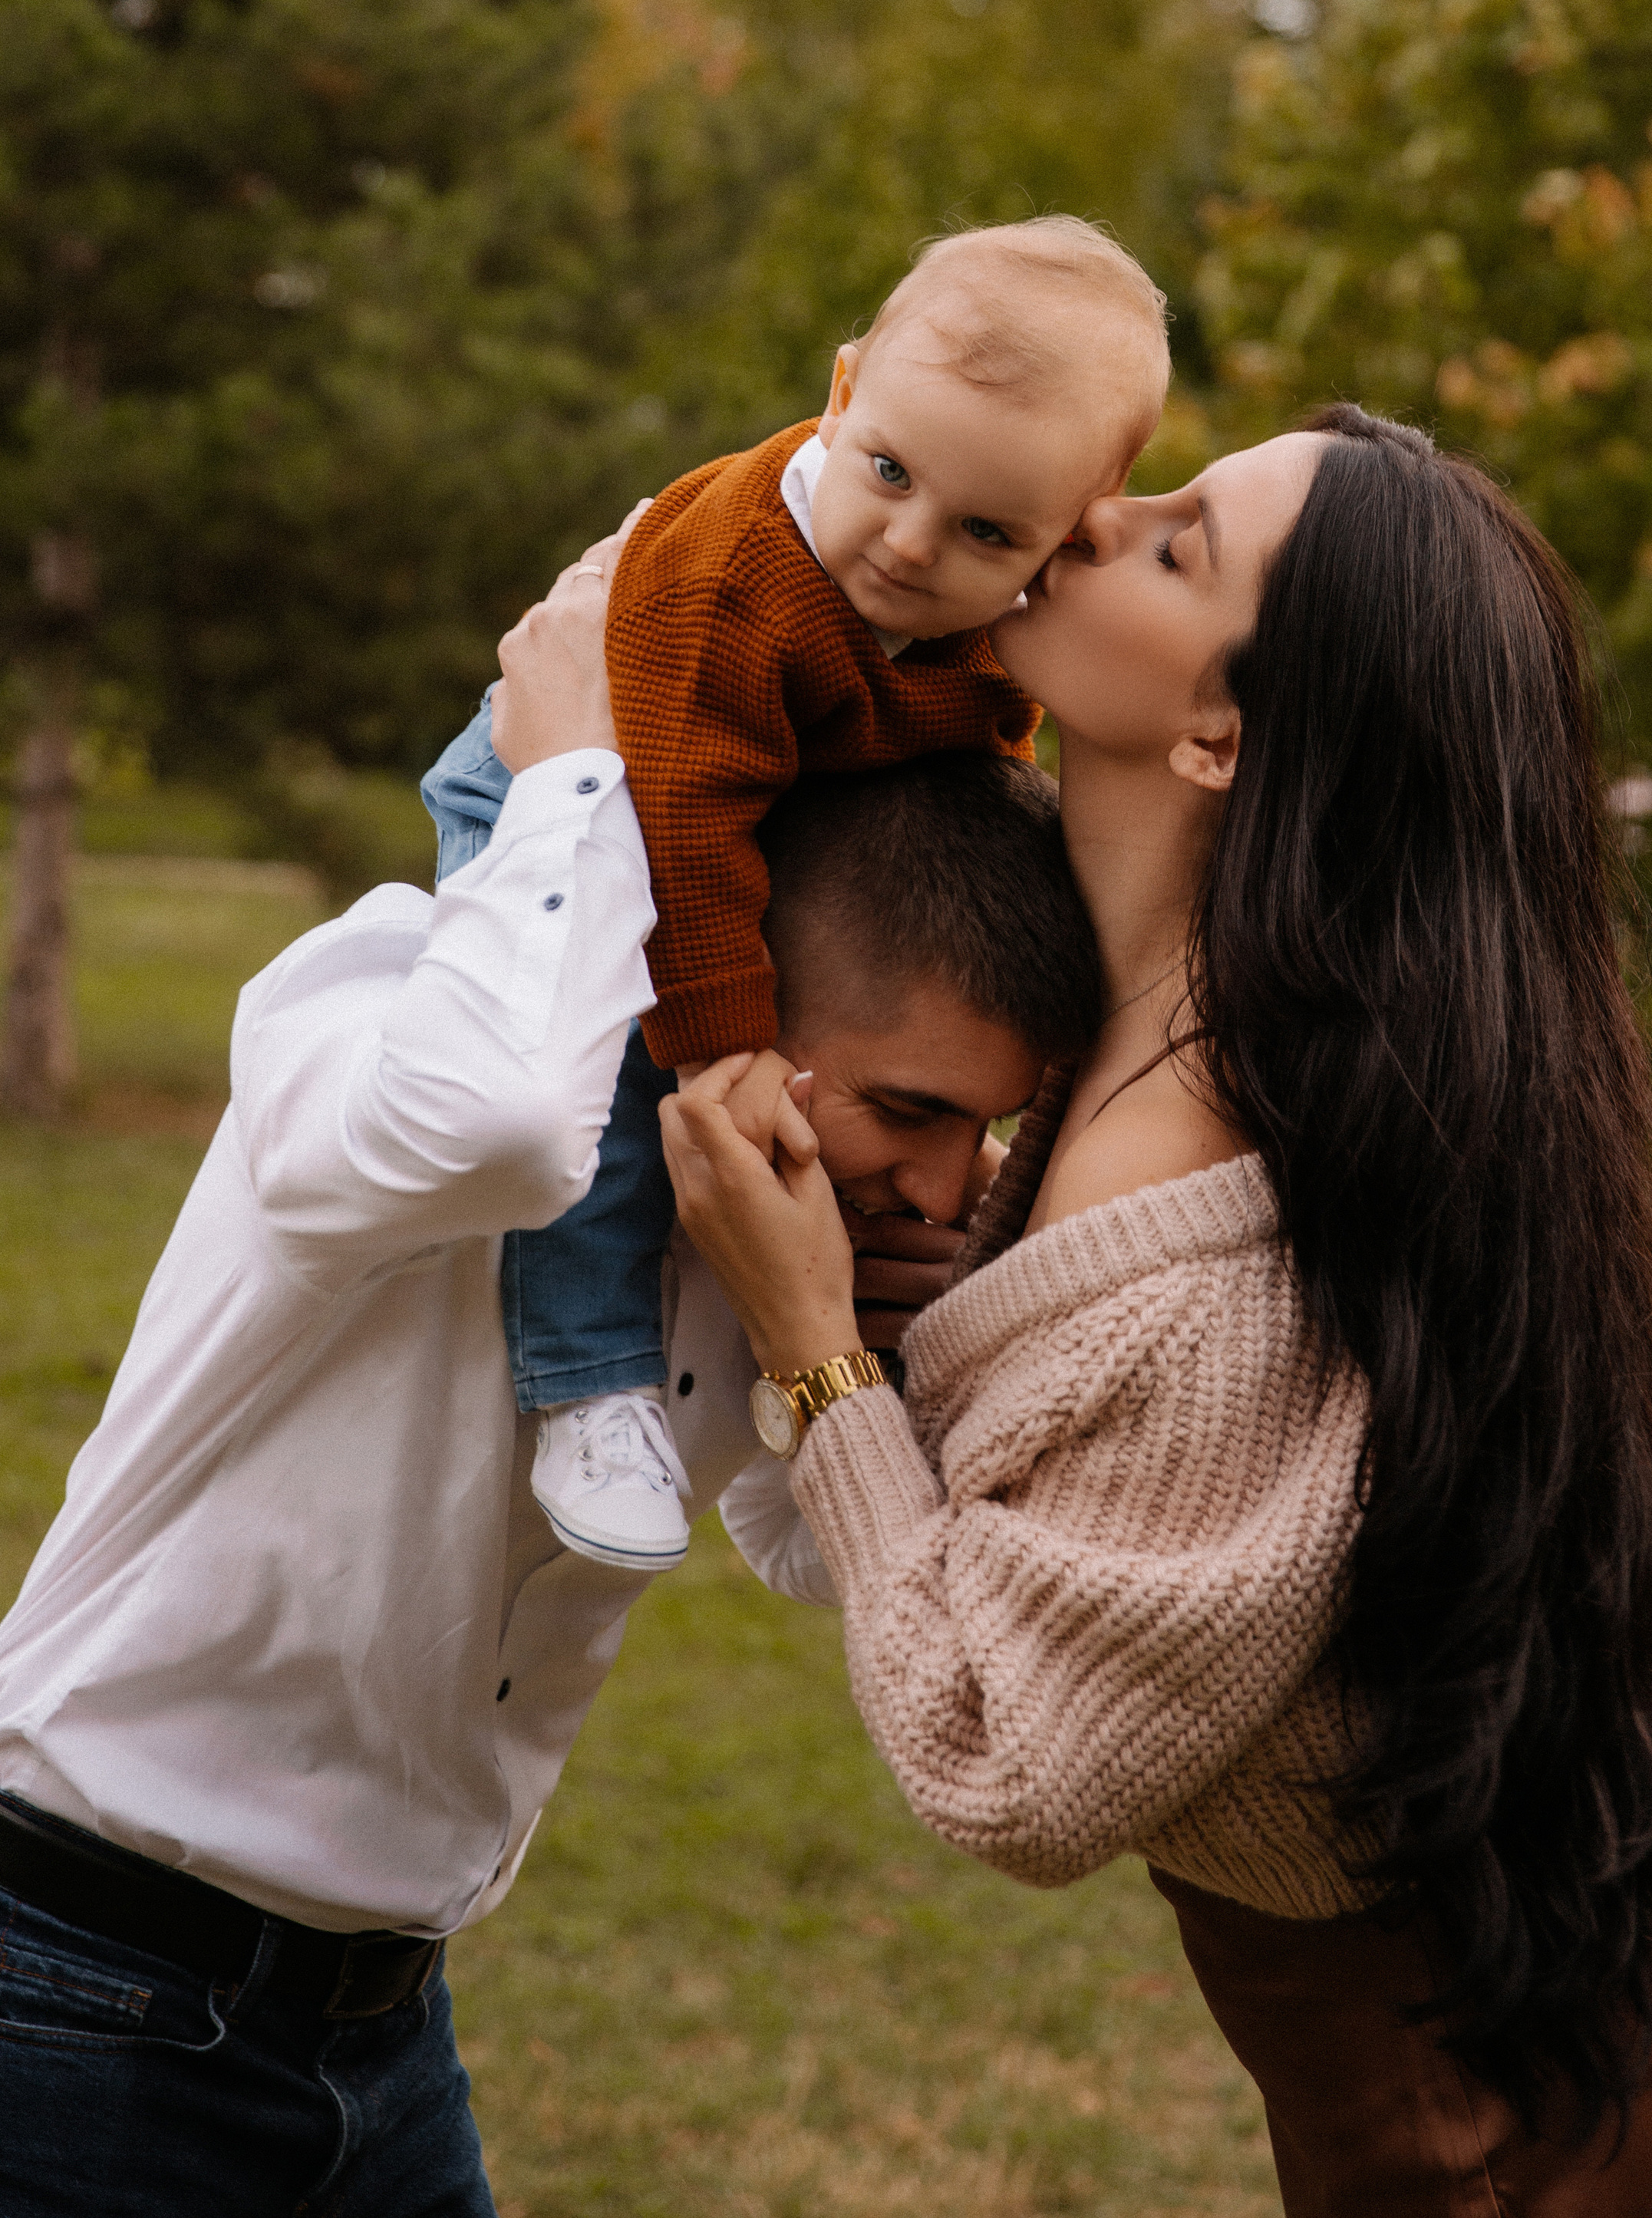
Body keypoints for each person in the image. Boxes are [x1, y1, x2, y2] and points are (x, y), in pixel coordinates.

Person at [661, 404, 1652, 2213]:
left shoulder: (1214, 1267)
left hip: (1512, 2120)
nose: (1095, 516)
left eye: (1177, 541)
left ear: (1220, 732)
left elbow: (1008, 1771)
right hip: (1471, 2028)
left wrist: (816, 1358)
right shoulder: (1157, 1054)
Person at [0, 552, 1098, 2209]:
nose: (947, 1184)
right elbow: (500, 1125)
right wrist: (578, 766)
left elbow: (800, 1549)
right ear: (736, 994)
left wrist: (854, 1343)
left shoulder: (757, 1211)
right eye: (914, 1111)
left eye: (983, 1127)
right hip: (80, 1990)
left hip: (382, 2034)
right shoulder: (382, 1001)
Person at [421, 214, 1169, 1575]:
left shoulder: (986, 609)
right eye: (889, 471)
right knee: (611, 1094)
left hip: (747, 821)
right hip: (574, 785)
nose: (912, 545)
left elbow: (980, 753)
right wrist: (725, 1053)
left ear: (1069, 531)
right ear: (842, 389)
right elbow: (685, 831)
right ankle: (590, 1383)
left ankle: (814, 1391)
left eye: (987, 530)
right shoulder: (736, 583)